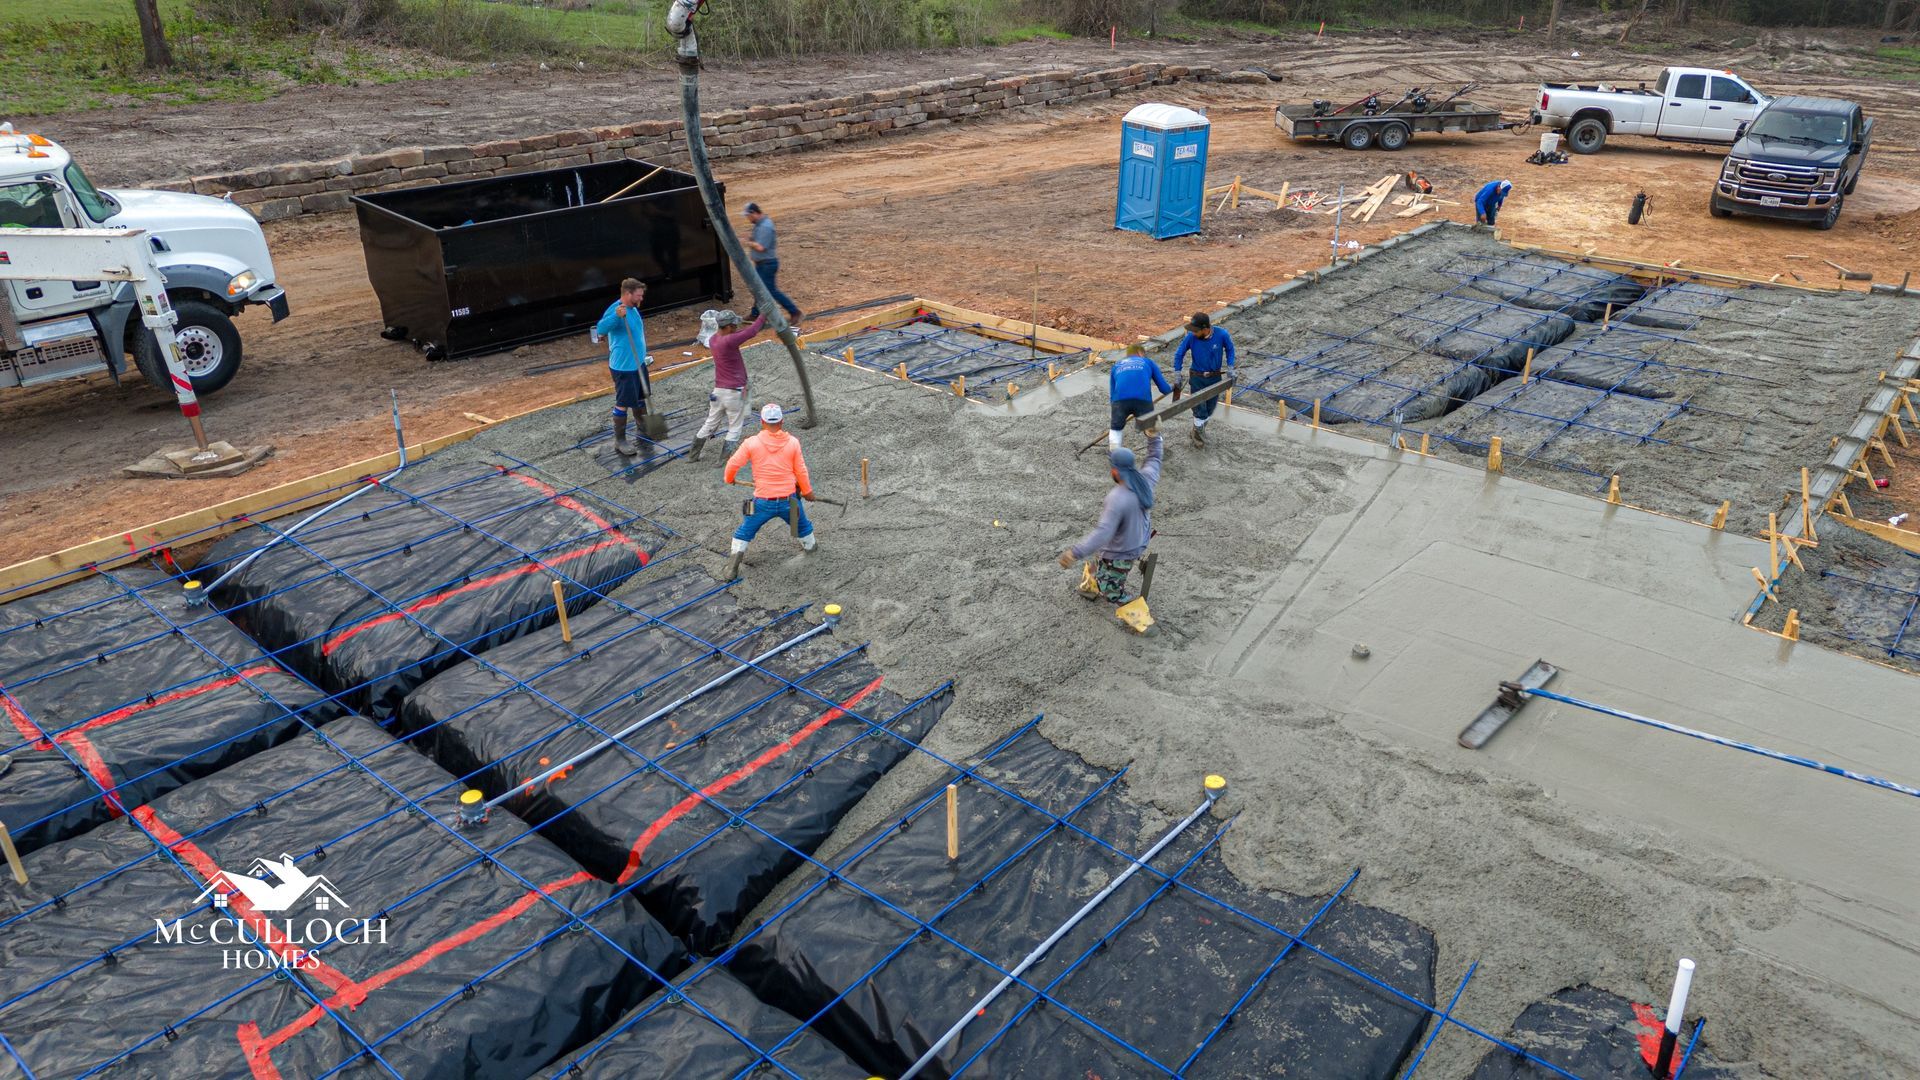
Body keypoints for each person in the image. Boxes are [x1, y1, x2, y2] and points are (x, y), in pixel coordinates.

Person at [1059, 429, 1164, 604]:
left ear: (1115, 472)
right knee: (1100, 562)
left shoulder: (1117, 498)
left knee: (1112, 589)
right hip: (1137, 543)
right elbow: (1154, 459)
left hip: (1120, 553)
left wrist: (1075, 552)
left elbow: (1103, 533)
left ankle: (1140, 619)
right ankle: (1090, 585)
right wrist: (1154, 437)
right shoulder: (1145, 479)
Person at [722, 403, 816, 577]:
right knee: (801, 526)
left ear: (763, 422)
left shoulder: (751, 443)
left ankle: (731, 568)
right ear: (781, 421)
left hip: (761, 502)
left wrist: (729, 479)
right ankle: (811, 551)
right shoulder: (793, 443)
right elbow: (800, 471)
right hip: (790, 501)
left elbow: (733, 464)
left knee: (745, 530)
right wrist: (807, 491)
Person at [689, 309, 765, 462]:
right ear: (728, 326)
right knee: (735, 427)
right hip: (734, 392)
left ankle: (693, 456)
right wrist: (764, 315)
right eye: (734, 325)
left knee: (710, 423)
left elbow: (743, 332)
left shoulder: (713, 340)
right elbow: (752, 331)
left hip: (718, 392)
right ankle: (722, 460)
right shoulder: (729, 340)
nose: (736, 327)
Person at [595, 277, 655, 456]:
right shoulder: (617, 310)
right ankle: (620, 441)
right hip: (624, 367)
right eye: (638, 295)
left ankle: (643, 429)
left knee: (640, 397)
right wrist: (616, 316)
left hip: (638, 363)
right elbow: (600, 329)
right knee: (623, 403)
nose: (641, 299)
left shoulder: (633, 309)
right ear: (628, 294)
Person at [1171, 312, 1235, 448]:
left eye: (1196, 330)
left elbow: (1230, 349)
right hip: (1197, 378)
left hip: (1214, 378)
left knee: (1210, 409)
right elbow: (1179, 353)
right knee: (1200, 410)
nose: (1193, 333)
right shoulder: (1191, 338)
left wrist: (1230, 367)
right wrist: (1177, 373)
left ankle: (1196, 429)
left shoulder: (1221, 335)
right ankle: (1198, 435)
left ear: (1205, 329)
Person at [743, 202, 803, 330]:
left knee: (770, 291)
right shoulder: (759, 224)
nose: (748, 219)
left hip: (767, 265)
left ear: (754, 213)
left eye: (748, 216)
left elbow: (761, 247)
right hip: (762, 264)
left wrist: (748, 242)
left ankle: (794, 312)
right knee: (757, 288)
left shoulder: (765, 227)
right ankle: (755, 313)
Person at [1107, 343, 1171, 450]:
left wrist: (1117, 414)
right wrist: (1172, 387)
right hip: (1143, 401)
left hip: (1119, 402)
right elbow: (1164, 389)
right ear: (1140, 353)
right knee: (1151, 428)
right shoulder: (1148, 362)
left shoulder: (1116, 365)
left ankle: (1114, 456)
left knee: (1116, 429)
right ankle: (1157, 452)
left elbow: (1112, 396)